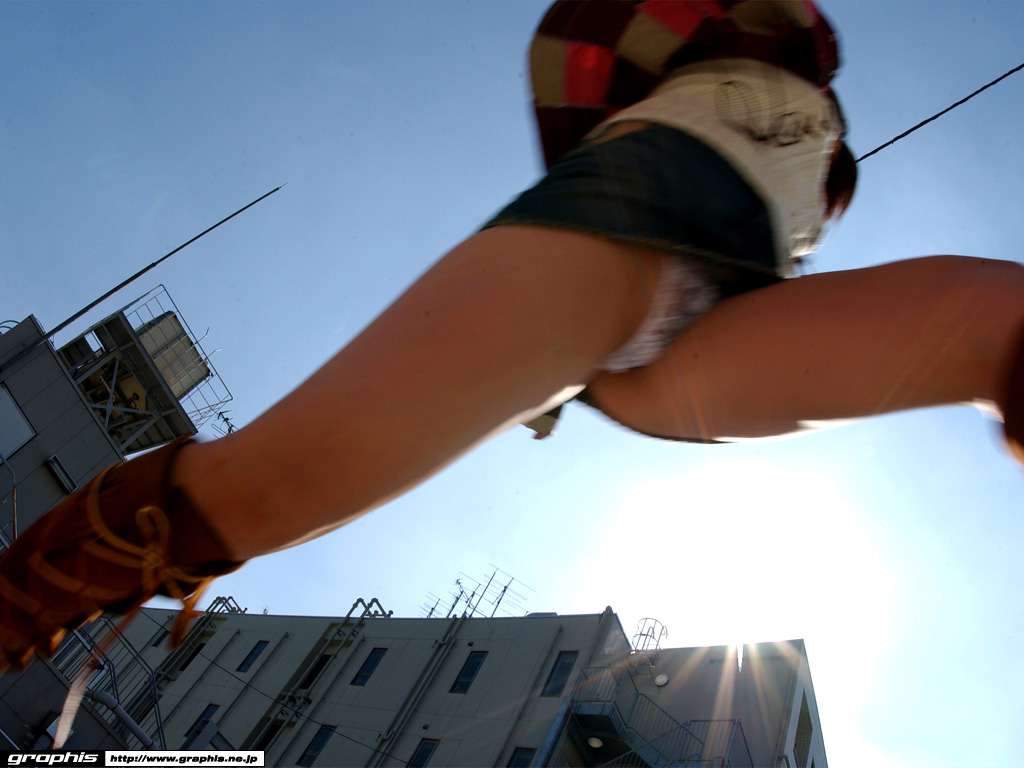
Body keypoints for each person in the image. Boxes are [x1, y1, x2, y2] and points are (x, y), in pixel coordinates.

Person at [3, 0, 1024, 669]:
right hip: (752, 219)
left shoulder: (709, 46)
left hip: (707, 143)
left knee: (259, 491)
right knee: (657, 384)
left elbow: (593, 44)